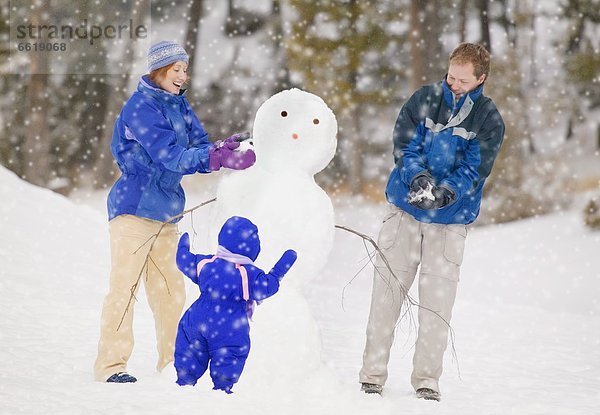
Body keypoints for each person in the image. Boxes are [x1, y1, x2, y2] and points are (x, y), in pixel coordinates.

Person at [93, 41, 256, 383]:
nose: (183, 76)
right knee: (124, 288)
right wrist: (209, 158)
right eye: (176, 70)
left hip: (167, 212)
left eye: (185, 69)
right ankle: (111, 366)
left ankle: (171, 362)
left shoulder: (180, 106)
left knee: (170, 291)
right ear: (159, 71)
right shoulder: (140, 108)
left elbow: (197, 147)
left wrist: (222, 152)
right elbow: (168, 154)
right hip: (133, 210)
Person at [359, 43, 505, 401]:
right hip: (405, 213)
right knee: (386, 297)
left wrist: (446, 192)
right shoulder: (424, 99)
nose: (453, 84)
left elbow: (475, 167)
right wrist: (419, 178)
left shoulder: (488, 118)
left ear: (481, 79)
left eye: (462, 80)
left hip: (449, 223)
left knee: (436, 307)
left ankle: (426, 380)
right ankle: (372, 375)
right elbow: (404, 145)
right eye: (451, 76)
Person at [174, 217, 298, 393]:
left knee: (190, 347)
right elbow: (267, 287)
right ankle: (223, 388)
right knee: (229, 352)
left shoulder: (207, 264)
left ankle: (184, 380)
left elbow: (184, 261)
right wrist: (278, 272)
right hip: (229, 324)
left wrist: (182, 249)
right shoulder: (246, 274)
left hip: (197, 317)